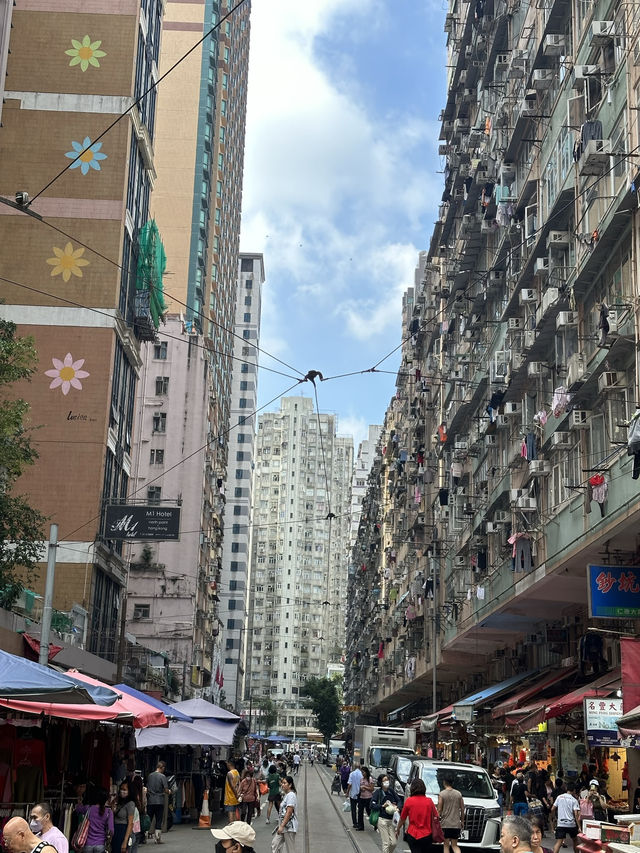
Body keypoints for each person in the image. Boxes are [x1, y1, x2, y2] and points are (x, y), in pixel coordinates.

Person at [396, 777, 437, 853]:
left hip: (412, 834)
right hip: (427, 834)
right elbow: (436, 816)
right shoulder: (429, 801)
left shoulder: (409, 801)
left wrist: (398, 828)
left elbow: (403, 818)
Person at [371, 774, 400, 853]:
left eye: (387, 780)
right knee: (386, 843)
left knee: (393, 843)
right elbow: (372, 805)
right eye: (384, 780)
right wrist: (382, 806)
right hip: (382, 820)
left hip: (392, 820)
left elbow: (399, 801)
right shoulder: (378, 792)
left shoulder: (391, 791)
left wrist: (397, 807)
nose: (386, 782)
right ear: (381, 782)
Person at [438, 776, 465, 853]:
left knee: (446, 845)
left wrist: (436, 819)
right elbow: (462, 808)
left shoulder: (442, 794)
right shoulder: (458, 794)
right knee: (455, 845)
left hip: (445, 824)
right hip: (456, 824)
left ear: (444, 783)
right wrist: (462, 821)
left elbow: (439, 809)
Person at [552, 782, 580, 853]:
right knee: (575, 840)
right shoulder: (574, 800)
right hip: (571, 824)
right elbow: (576, 814)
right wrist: (579, 826)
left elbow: (552, 809)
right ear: (574, 790)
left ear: (567, 789)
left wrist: (554, 818)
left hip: (561, 823)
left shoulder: (559, 797)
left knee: (559, 842)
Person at [271, 775, 297, 853]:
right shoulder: (287, 795)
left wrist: (282, 826)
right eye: (282, 783)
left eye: (284, 783)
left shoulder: (291, 796)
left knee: (290, 849)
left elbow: (289, 811)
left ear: (290, 785)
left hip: (289, 827)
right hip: (283, 827)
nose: (282, 784)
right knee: (275, 844)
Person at [146, 762, 169, 844]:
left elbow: (147, 789)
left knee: (148, 819)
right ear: (162, 768)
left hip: (150, 801)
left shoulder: (150, 776)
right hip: (159, 801)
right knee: (159, 820)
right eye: (164, 768)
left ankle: (145, 836)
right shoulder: (162, 777)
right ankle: (157, 838)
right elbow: (166, 789)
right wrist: (169, 791)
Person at [112, 782, 135, 853]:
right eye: (121, 789)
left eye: (124, 789)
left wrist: (125, 841)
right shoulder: (118, 801)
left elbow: (130, 823)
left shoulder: (130, 804)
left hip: (122, 831)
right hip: (115, 830)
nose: (122, 791)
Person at [347, 762, 364, 831]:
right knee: (360, 810)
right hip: (360, 794)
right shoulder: (362, 775)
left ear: (354, 767)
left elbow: (350, 784)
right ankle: (360, 823)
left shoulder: (352, 774)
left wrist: (347, 792)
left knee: (353, 809)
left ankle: (355, 823)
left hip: (353, 794)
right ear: (360, 767)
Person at [225, 760, 241, 824]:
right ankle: (235, 827)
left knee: (230, 813)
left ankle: (231, 827)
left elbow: (232, 786)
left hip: (230, 796)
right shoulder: (237, 772)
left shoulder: (229, 773)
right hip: (235, 796)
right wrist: (238, 793)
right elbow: (239, 784)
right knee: (234, 812)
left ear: (229, 764)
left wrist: (236, 794)